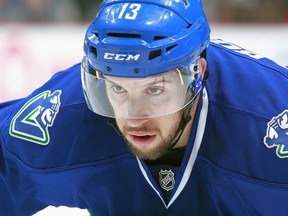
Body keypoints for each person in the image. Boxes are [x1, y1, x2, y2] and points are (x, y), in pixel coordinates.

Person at [1, 0, 288, 215]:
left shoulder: (269, 118)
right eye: (117, 88)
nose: (134, 114)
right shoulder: (63, 119)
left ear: (197, 75)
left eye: (154, 89)